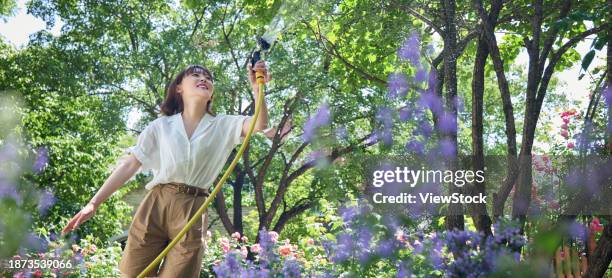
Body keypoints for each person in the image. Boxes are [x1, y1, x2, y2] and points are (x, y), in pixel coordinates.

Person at [61, 60, 271, 277]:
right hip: (157, 203)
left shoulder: (224, 124)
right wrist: (93, 203)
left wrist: (258, 90)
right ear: (179, 88)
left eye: (208, 78)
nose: (204, 79)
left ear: (211, 94)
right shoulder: (160, 126)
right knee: (133, 274)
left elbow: (259, 124)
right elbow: (130, 164)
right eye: (196, 75)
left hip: (193, 207)